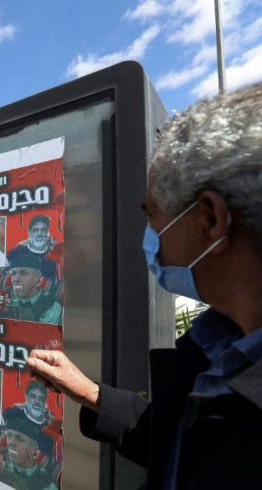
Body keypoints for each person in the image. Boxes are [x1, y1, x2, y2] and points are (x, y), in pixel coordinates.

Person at [27, 83, 262, 489]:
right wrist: (90, 393)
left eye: (153, 214)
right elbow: (185, 447)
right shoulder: (221, 350)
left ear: (209, 219)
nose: (150, 235)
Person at [0, 414, 58, 490]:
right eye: (9, 436)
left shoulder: (46, 484)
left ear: (33, 448)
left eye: (19, 439)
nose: (11, 442)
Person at [0, 255, 62, 324]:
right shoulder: (5, 295)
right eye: (13, 274)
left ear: (37, 277)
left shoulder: (50, 305)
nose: (15, 279)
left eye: (23, 273)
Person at [7, 215, 58, 281]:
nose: (39, 234)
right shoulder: (15, 253)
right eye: (35, 230)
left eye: (43, 230)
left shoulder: (54, 258)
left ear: (47, 232)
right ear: (29, 232)